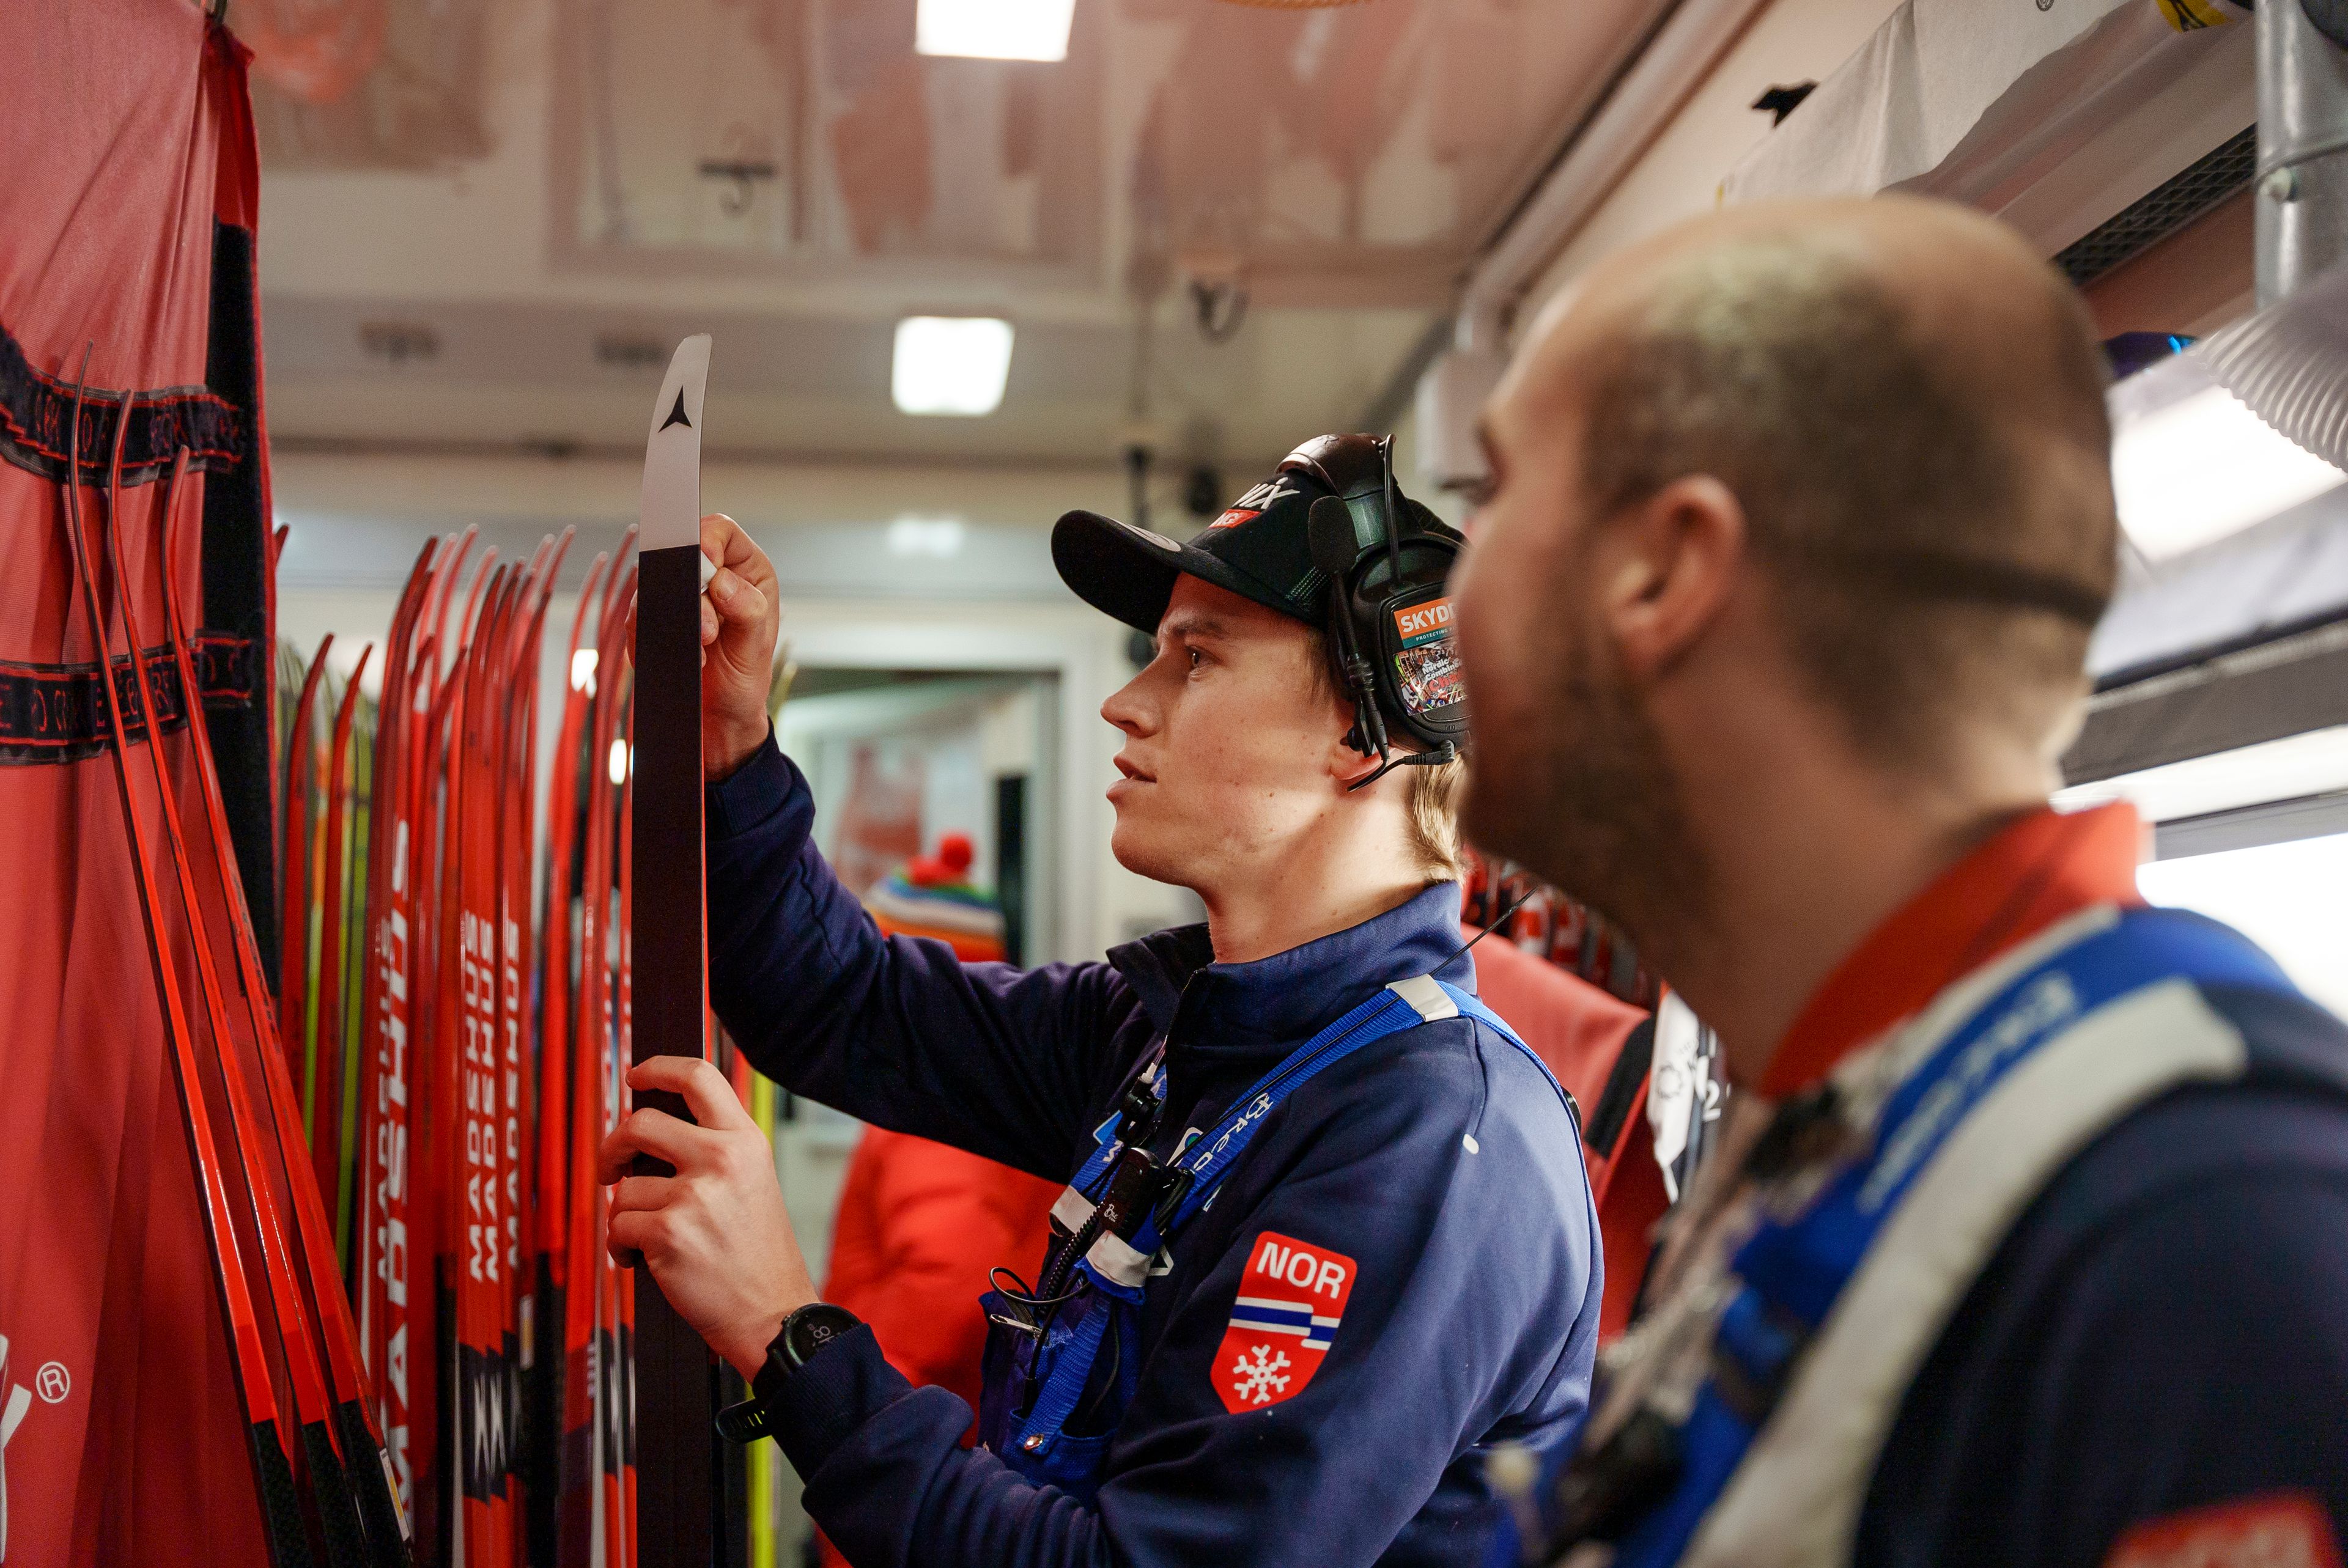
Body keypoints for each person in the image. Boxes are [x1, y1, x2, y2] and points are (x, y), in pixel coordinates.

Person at [1447, 193, 2348, 1567]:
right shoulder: (1836, 1112)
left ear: (1664, 572)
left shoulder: (2194, 1227)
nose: (1448, 604)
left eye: (1496, 494)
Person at [599, 435, 1603, 1567]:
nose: (1128, 703)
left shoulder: (1424, 1143)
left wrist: (791, 1337)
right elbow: (844, 1003)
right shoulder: (1188, 1036)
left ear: (1360, 734)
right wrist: (733, 753)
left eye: (1198, 659)